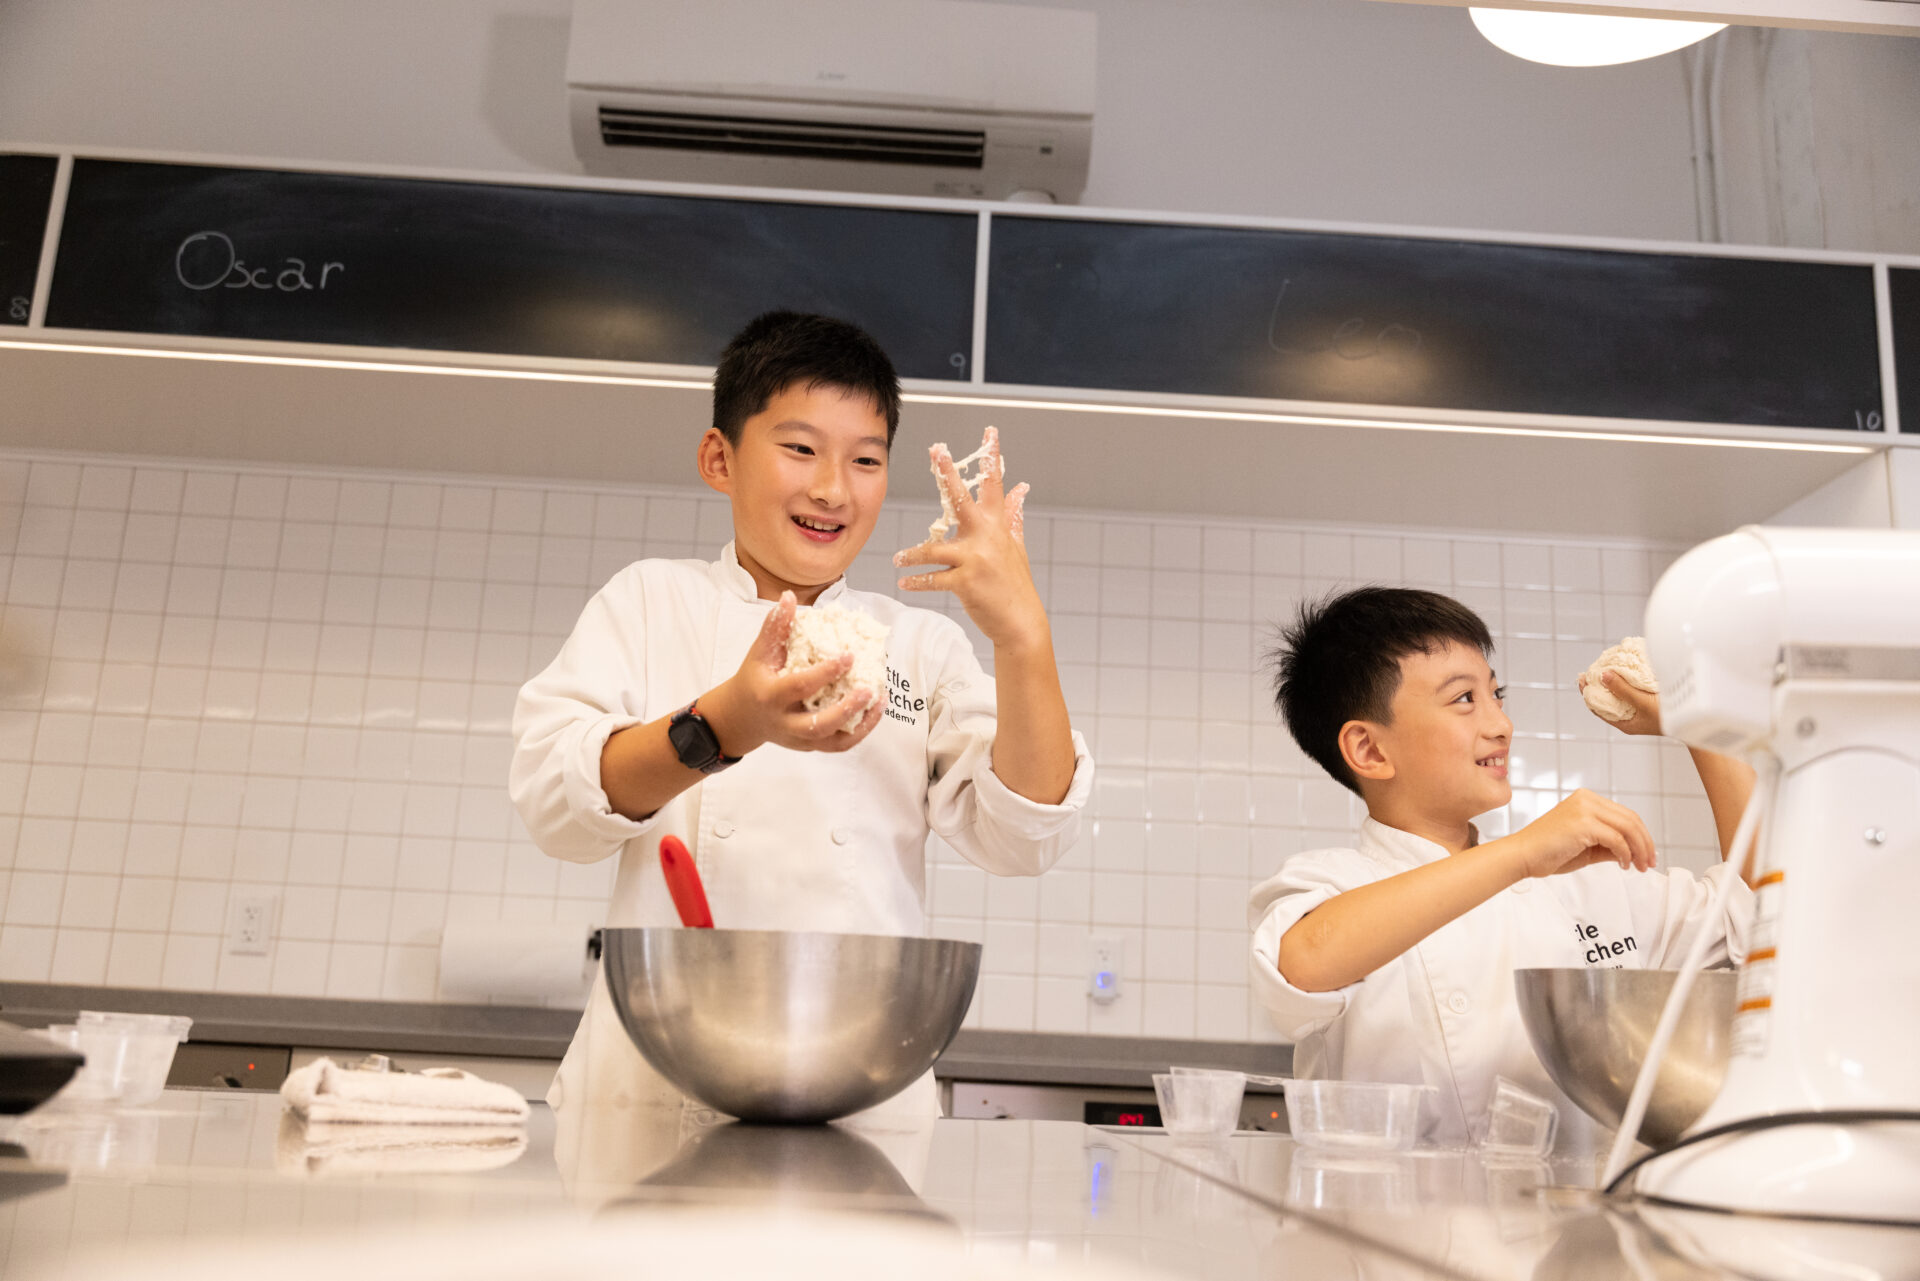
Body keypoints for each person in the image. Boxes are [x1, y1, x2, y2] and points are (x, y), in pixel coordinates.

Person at [511, 311, 1091, 1149]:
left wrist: (1023, 637)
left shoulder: (918, 645)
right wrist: (724, 724)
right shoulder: (649, 601)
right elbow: (555, 804)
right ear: (720, 459)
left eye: (866, 459)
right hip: (652, 1091)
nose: (832, 489)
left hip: (861, 1093)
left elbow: (1024, 833)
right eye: (800, 448)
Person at [1247, 586, 1756, 1154]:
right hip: (1379, 1210)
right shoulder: (1334, 882)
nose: (1502, 724)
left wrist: (1705, 730)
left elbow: (1762, 916)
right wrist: (1520, 855)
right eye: (1464, 699)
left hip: (1569, 1212)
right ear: (1369, 750)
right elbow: (1306, 961)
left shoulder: (1589, 887)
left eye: (1497, 694)